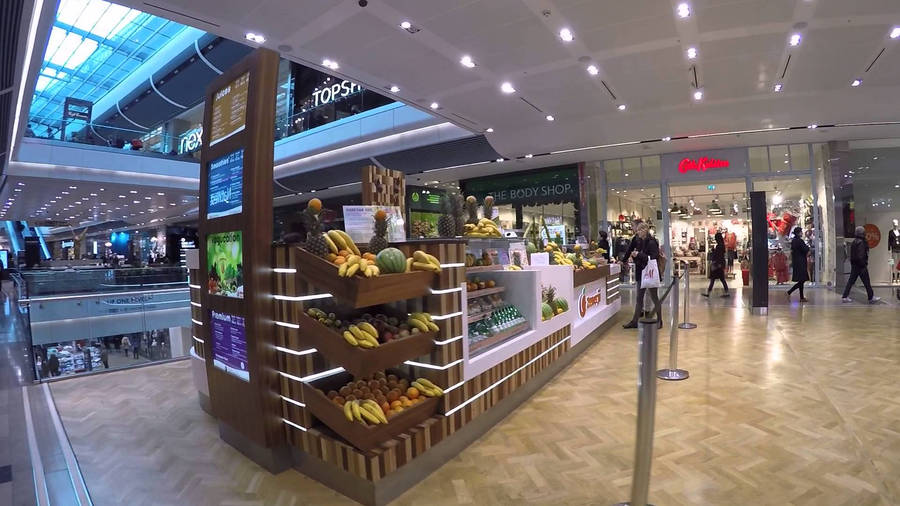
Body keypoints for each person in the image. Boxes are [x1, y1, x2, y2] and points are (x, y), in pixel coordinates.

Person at [623, 223, 663, 330]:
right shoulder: (637, 240)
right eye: (637, 230)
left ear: (645, 230)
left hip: (650, 273)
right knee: (639, 298)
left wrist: (639, 255)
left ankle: (660, 320)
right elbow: (630, 250)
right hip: (641, 272)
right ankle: (635, 321)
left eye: (640, 230)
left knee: (654, 297)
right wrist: (625, 259)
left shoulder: (652, 242)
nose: (638, 232)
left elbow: (654, 257)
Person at [842, 226, 881, 303]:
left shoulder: (854, 242)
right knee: (867, 282)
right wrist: (863, 263)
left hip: (854, 265)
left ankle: (845, 296)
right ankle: (871, 297)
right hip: (861, 266)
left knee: (851, 281)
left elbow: (852, 254)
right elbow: (861, 255)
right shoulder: (862, 242)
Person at [702, 232, 730, 297]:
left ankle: (709, 292)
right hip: (719, 264)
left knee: (714, 278)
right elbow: (721, 255)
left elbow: (718, 255)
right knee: (720, 279)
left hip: (717, 265)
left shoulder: (719, 246)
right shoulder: (722, 245)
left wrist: (716, 263)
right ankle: (726, 292)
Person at [787, 227, 810, 302]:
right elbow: (805, 249)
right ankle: (792, 292)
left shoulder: (794, 241)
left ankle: (800, 296)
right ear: (798, 233)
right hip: (801, 262)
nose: (802, 233)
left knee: (801, 280)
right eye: (801, 232)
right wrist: (807, 247)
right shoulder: (799, 241)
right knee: (802, 280)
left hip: (796, 262)